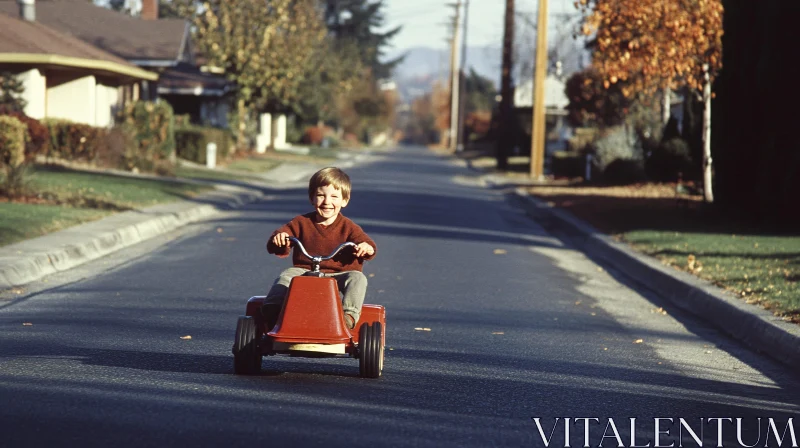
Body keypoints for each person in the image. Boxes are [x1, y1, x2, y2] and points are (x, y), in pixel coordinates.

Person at [262, 167, 377, 330]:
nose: (327, 202)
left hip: (338, 274)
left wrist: (366, 247)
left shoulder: (349, 228)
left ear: (344, 200)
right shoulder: (301, 222)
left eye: (334, 196)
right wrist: (280, 239)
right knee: (286, 275)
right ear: (312, 198)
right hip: (304, 270)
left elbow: (368, 244)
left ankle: (348, 316)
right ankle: (273, 308)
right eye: (321, 195)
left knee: (358, 278)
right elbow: (283, 235)